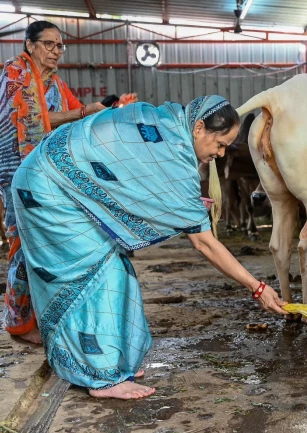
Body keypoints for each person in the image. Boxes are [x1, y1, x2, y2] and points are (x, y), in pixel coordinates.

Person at [11, 94, 287, 400]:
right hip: (45, 188)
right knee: (100, 277)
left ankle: (113, 360)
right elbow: (205, 244)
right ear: (198, 129)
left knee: (119, 272)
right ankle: (101, 377)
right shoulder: (174, 150)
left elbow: (133, 180)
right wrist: (256, 286)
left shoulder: (168, 126)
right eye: (220, 144)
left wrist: (181, 207)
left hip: (55, 179)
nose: (221, 154)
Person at [0, 20, 137, 344]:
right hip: (16, 173)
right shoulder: (14, 74)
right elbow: (30, 121)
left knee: (49, 244)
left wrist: (110, 111)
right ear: (30, 45)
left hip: (47, 175)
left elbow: (80, 118)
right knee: (22, 243)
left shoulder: (56, 85)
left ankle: (49, 314)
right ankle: (19, 322)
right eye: (49, 44)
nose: (56, 51)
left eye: (60, 45)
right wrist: (80, 114)